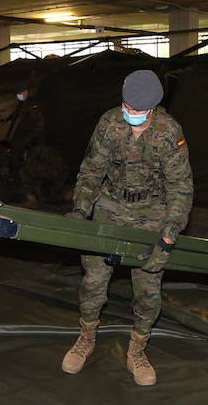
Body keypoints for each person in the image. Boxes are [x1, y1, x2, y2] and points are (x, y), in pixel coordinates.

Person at [62, 69, 192, 386]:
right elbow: (91, 171)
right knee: (93, 278)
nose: (131, 115)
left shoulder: (169, 131)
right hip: (111, 204)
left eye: (139, 112)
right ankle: (86, 336)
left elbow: (181, 187)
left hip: (152, 207)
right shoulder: (109, 123)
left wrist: (168, 235)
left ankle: (138, 348)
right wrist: (80, 210)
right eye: (128, 108)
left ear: (152, 107)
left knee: (148, 286)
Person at [7, 82, 45, 160]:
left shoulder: (32, 106)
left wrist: (29, 139)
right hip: (16, 137)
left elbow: (39, 124)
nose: (18, 95)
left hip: (25, 139)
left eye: (20, 93)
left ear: (26, 92)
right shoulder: (20, 103)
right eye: (18, 93)